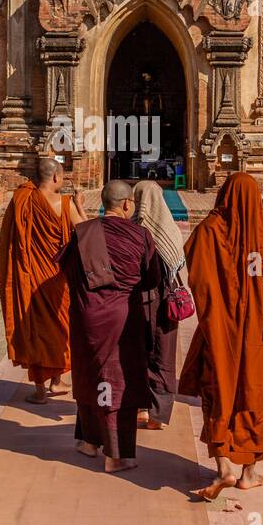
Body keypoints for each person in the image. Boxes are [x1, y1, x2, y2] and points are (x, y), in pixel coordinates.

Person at [178, 174, 263, 501]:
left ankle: (223, 467)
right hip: (255, 332)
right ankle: (248, 474)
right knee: (253, 394)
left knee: (218, 389)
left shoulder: (209, 229)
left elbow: (197, 276)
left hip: (220, 330)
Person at [61, 179, 160, 473]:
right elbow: (152, 278)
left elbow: (68, 271)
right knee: (118, 383)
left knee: (91, 374)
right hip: (123, 320)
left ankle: (89, 441)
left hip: (87, 318)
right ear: (128, 204)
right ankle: (116, 455)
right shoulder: (140, 236)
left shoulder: (84, 233)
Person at [0, 157, 86, 404]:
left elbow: (12, 242)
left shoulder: (21, 201)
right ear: (56, 177)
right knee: (59, 328)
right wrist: (80, 207)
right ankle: (56, 381)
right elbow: (87, 234)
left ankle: (41, 390)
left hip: (30, 277)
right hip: (57, 280)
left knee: (36, 328)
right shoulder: (65, 204)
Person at [133, 180, 185, 431]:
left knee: (137, 353)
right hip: (165, 301)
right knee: (163, 356)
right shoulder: (171, 230)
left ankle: (141, 409)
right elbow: (178, 265)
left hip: (139, 300)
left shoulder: (131, 229)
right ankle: (156, 415)